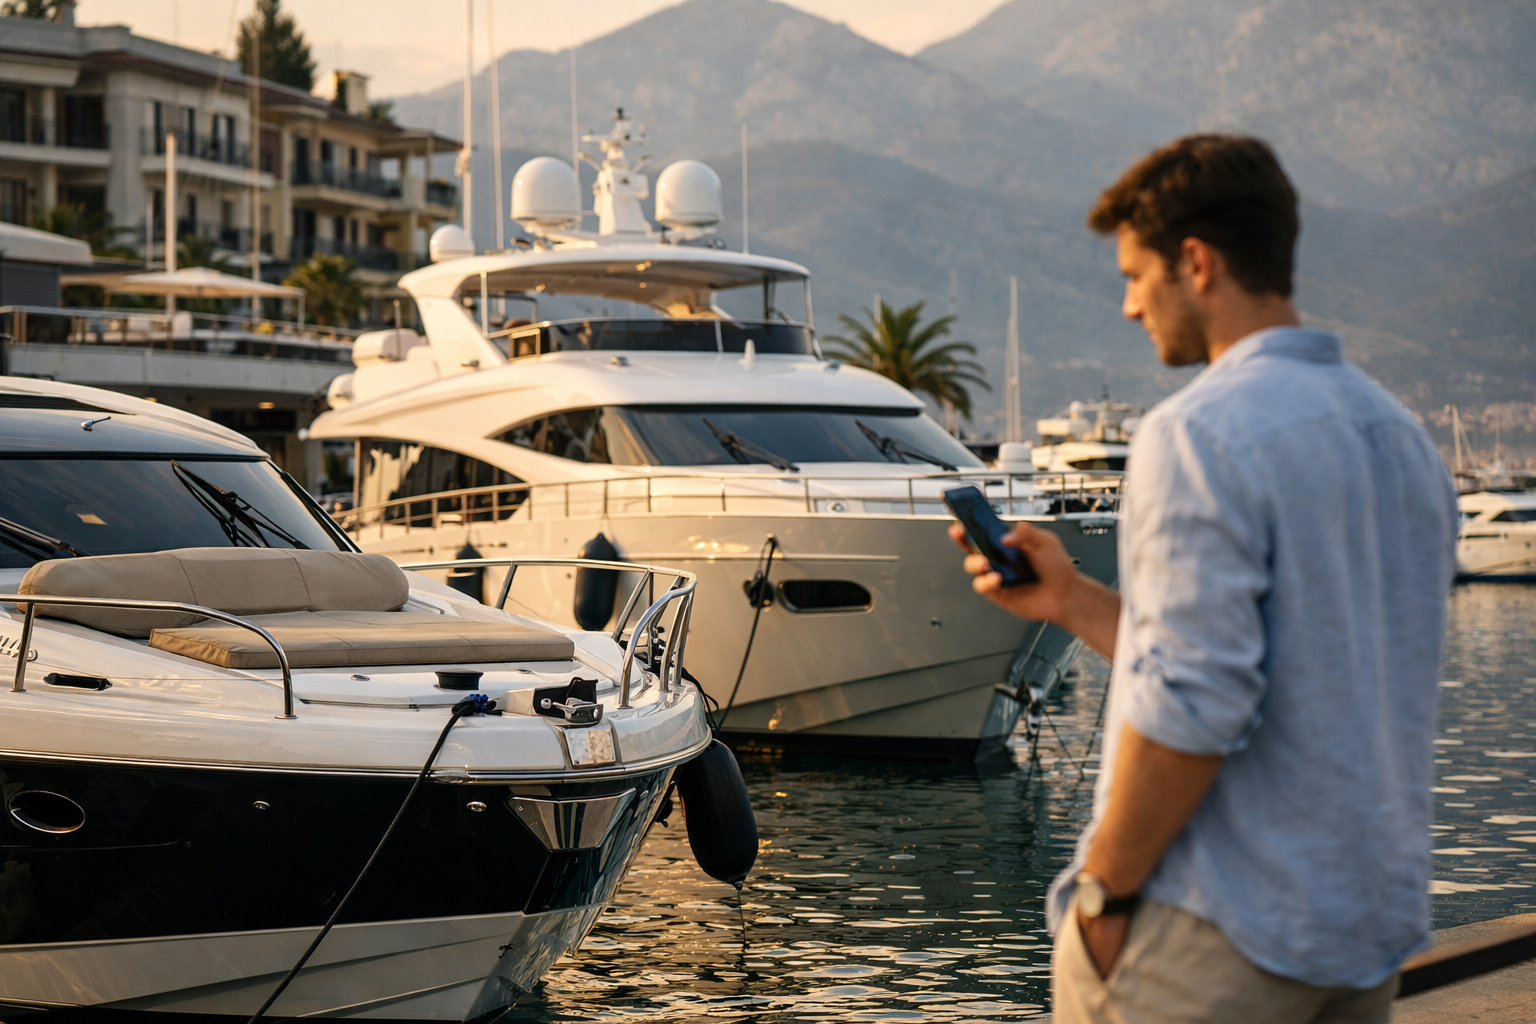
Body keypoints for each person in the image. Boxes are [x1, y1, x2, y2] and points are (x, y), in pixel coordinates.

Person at [952, 135, 1459, 1024]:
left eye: (1135, 274)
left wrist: (1104, 897)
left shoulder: (1197, 433)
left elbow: (1192, 704)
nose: (1127, 305)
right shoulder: (1403, 440)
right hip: (1360, 934)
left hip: (1217, 933)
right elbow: (1299, 664)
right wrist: (1069, 598)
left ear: (1196, 262)